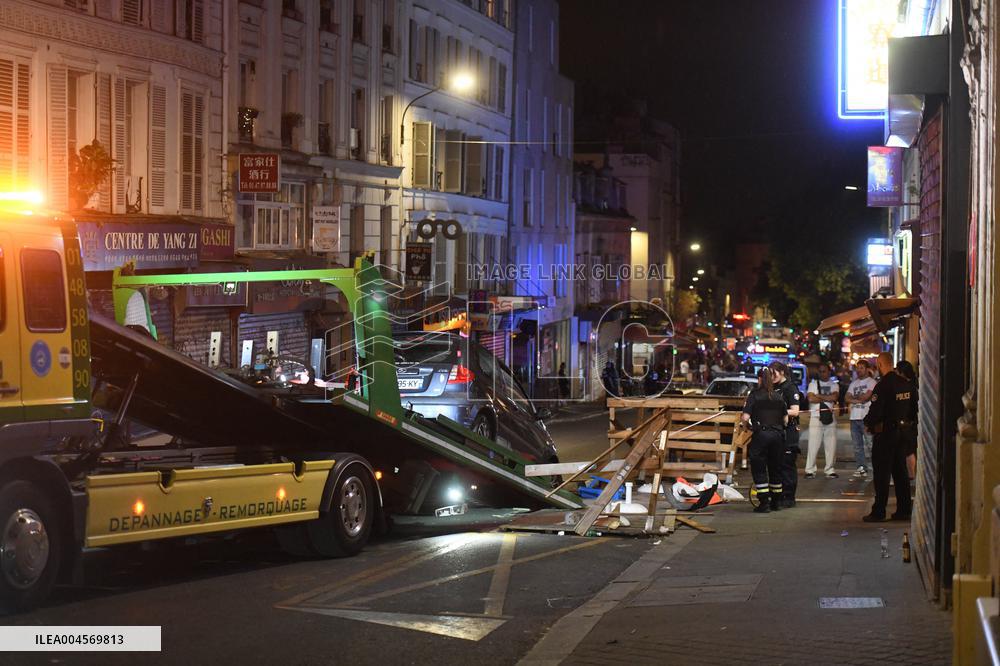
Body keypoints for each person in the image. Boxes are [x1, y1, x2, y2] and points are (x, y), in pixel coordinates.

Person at [862, 352, 915, 522]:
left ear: (879, 364)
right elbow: (914, 408)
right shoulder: (906, 384)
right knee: (901, 474)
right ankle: (904, 509)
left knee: (882, 475)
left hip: (885, 435)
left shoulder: (883, 386)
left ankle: (879, 511)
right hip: (902, 433)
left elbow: (876, 411)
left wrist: (868, 424)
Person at [741, 367, 788, 513]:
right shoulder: (778, 396)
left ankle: (764, 503)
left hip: (761, 436)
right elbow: (785, 420)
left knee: (759, 469)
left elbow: (745, 418)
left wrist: (746, 426)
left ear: (760, 379)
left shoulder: (754, 395)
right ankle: (776, 502)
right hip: (778, 436)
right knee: (776, 469)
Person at [769, 361, 802, 507]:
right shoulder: (774, 388)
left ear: (782, 371)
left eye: (773, 373)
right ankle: (779, 496)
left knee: (787, 464)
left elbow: (795, 410)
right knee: (777, 464)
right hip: (776, 432)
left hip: (789, 431)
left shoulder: (790, 388)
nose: (771, 376)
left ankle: (789, 497)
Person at [805, 363, 840, 478]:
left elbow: (834, 397)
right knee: (813, 445)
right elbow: (810, 398)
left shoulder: (834, 385)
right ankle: (810, 470)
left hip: (830, 418)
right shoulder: (813, 384)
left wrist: (818, 396)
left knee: (831, 445)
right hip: (816, 417)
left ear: (829, 372)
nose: (822, 373)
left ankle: (830, 470)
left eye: (824, 371)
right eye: (820, 371)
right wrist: (827, 397)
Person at [846, 359, 877, 478]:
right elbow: (847, 398)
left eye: (861, 368)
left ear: (867, 369)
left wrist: (856, 398)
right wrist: (858, 398)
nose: (859, 370)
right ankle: (861, 467)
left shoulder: (871, 382)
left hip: (866, 417)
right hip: (854, 418)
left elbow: (866, 396)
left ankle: (876, 468)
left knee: (870, 444)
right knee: (857, 445)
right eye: (857, 368)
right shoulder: (853, 383)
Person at [895, 360, 919, 480]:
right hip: (910, 422)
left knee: (908, 449)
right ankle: (910, 474)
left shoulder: (907, 387)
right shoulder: (914, 386)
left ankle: (910, 474)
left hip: (907, 423)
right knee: (908, 449)